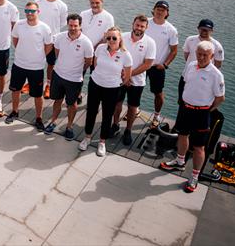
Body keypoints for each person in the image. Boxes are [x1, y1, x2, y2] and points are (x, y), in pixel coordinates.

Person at [160, 41, 225, 193]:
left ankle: (194, 176)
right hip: (185, 109)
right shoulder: (191, 66)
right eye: (199, 54)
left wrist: (207, 110)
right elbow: (185, 82)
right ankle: (180, 161)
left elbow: (220, 98)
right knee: (182, 135)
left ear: (212, 56)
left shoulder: (216, 74)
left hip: (201, 113)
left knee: (199, 147)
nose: (201, 57)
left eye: (205, 55)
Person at [79, 27, 132, 157]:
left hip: (112, 88)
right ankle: (87, 137)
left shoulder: (125, 55)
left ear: (120, 39)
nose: (111, 40)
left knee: (107, 115)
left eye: (114, 38)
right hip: (95, 84)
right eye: (108, 38)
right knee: (91, 111)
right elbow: (95, 65)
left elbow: (127, 76)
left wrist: (114, 83)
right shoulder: (100, 48)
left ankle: (102, 142)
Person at [44, 14, 93, 139]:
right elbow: (57, 54)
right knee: (57, 100)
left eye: (75, 26)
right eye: (70, 25)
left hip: (74, 79)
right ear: (67, 24)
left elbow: (88, 62)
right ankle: (53, 121)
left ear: (80, 26)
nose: (72, 28)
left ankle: (69, 127)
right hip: (58, 75)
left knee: (71, 104)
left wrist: (77, 70)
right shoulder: (60, 37)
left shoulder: (86, 43)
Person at [6, 2, 53, 129]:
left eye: (32, 11)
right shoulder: (19, 25)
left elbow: (48, 46)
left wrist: (39, 55)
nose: (29, 14)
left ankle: (39, 118)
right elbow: (15, 40)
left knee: (38, 95)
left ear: (38, 12)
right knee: (15, 90)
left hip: (36, 68)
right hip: (19, 64)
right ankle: (15, 112)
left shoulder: (44, 28)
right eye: (27, 11)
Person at [114, 15, 156, 145]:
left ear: (146, 27)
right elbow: (115, 54)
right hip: (119, 78)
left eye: (142, 26)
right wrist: (123, 75)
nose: (139, 28)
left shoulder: (150, 42)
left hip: (137, 81)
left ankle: (128, 130)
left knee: (132, 107)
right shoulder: (122, 37)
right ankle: (115, 125)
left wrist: (129, 75)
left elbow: (147, 64)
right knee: (117, 104)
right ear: (133, 24)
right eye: (137, 25)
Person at [144, 0, 179, 126]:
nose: (159, 12)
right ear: (153, 10)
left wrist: (164, 65)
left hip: (157, 67)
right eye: (158, 9)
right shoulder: (145, 22)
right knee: (135, 89)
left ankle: (157, 115)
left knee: (158, 93)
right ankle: (134, 110)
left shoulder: (171, 30)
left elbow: (174, 51)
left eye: (163, 10)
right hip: (142, 64)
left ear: (167, 13)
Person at [35, 0, 68, 99]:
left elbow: (62, 23)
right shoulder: (38, 2)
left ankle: (48, 85)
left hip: (53, 40)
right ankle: (32, 83)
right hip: (37, 38)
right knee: (35, 61)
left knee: (50, 64)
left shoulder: (62, 6)